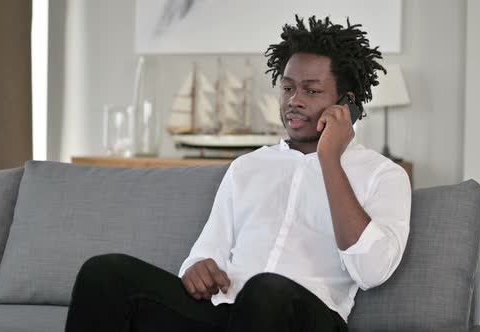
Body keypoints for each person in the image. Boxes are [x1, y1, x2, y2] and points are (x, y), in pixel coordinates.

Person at [65, 15, 411, 332]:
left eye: (312, 90)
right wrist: (198, 268)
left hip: (308, 318)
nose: (294, 100)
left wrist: (330, 160)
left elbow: (371, 271)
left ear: (346, 103)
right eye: (288, 87)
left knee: (267, 287)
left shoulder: (382, 175)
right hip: (227, 313)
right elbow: (206, 252)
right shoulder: (248, 167)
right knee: (105, 272)